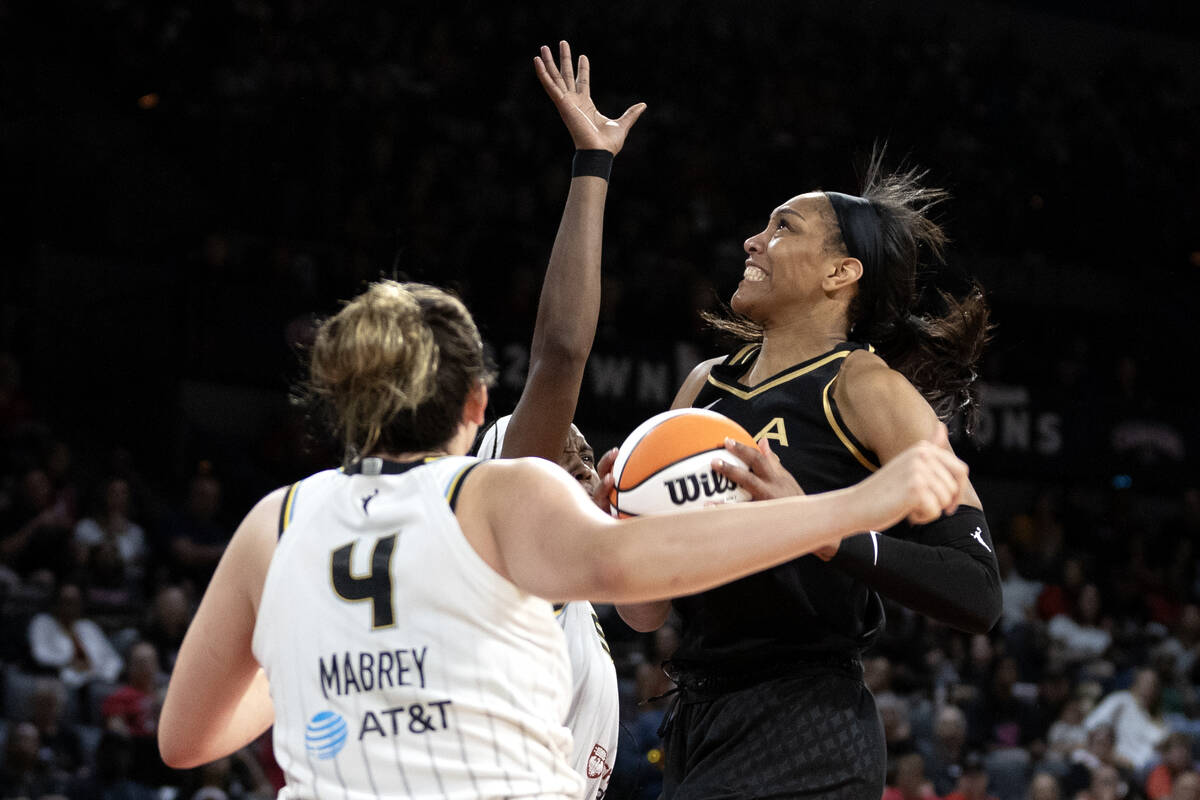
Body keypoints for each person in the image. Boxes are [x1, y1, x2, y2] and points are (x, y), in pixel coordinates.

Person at [157, 278, 971, 799]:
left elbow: (185, 739)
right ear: (477, 406)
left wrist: (332, 672)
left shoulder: (276, 521)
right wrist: (851, 506)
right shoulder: (496, 490)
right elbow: (625, 564)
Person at [592, 151, 1003, 798]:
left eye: (783, 228)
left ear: (841, 273)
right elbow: (642, 612)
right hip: (696, 717)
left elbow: (977, 592)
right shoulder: (705, 386)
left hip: (807, 720)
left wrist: (816, 525)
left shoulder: (867, 386)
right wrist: (622, 521)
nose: (754, 240)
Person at [467, 40, 645, 800]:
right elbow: (562, 354)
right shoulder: (516, 537)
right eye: (567, 449)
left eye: (583, 448)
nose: (585, 455)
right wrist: (593, 167)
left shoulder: (575, 594)